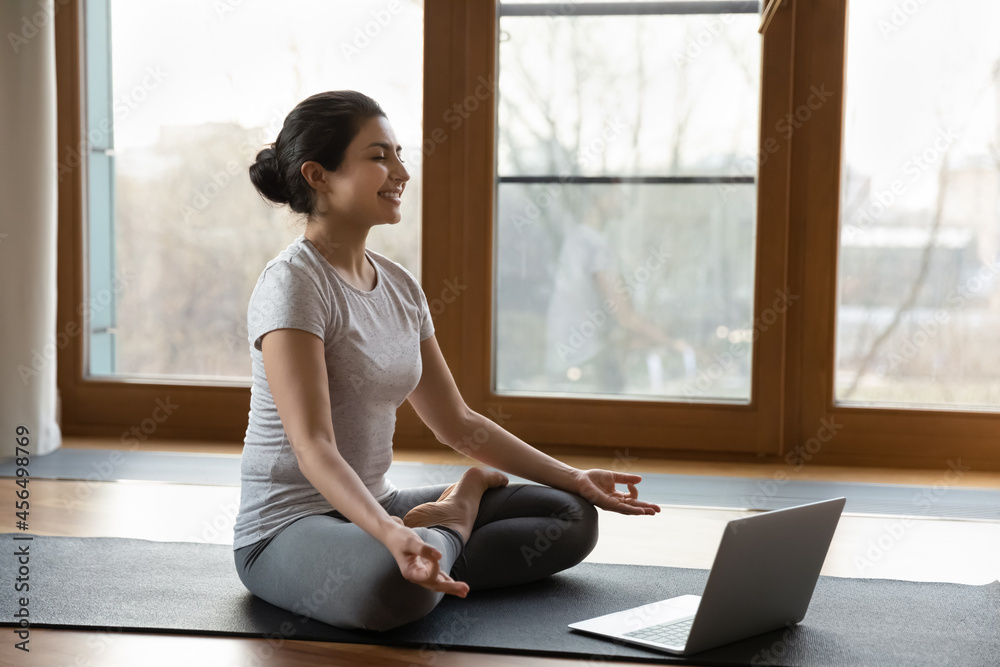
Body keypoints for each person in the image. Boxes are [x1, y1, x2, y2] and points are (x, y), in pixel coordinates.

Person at [233, 90, 661, 633]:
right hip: (286, 527)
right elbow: (313, 446)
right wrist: (393, 535)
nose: (402, 172)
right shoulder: (293, 285)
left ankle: (432, 545)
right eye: (378, 156)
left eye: (398, 153)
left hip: (377, 502)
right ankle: (450, 523)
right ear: (318, 175)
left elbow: (457, 423)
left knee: (570, 518)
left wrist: (575, 477)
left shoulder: (400, 286)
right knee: (394, 592)